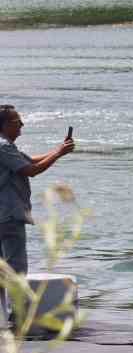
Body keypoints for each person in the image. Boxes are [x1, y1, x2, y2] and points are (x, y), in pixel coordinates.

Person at [0, 105, 74, 283]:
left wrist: (60, 150)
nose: (22, 125)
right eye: (17, 122)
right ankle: (17, 310)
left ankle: (5, 308)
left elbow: (30, 160)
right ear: (4, 125)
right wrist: (58, 153)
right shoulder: (3, 146)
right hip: (8, 215)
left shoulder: (6, 146)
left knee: (3, 268)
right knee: (15, 268)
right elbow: (31, 170)